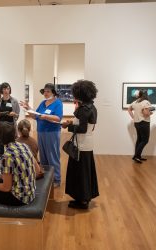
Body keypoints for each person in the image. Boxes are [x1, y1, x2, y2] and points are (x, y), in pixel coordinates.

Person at [61, 80, 99, 209]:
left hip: (81, 144)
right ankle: (84, 198)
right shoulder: (92, 107)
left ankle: (82, 200)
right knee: (85, 171)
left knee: (80, 173)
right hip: (88, 143)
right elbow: (89, 127)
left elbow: (82, 129)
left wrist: (68, 126)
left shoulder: (83, 109)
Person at [20, 83, 63, 187]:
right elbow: (35, 116)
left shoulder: (58, 103)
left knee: (52, 156)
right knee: (43, 156)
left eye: (48, 91)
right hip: (41, 132)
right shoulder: (43, 103)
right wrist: (28, 108)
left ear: (53, 92)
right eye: (44, 91)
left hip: (52, 133)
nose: (45, 93)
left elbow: (58, 118)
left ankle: (56, 179)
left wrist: (47, 117)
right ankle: (46, 177)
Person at [0, 82, 20, 170]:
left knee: (11, 147)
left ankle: (11, 166)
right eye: (4, 89)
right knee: (0, 148)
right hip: (0, 127)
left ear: (10, 90)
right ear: (1, 90)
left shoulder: (14, 101)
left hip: (11, 127)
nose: (6, 91)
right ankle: (0, 167)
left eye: (7, 88)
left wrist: (14, 114)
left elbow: (17, 115)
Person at [127, 89, 153, 163]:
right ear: (146, 95)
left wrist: (133, 117)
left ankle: (138, 156)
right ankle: (136, 156)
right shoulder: (146, 102)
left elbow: (129, 109)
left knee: (139, 140)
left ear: (140, 94)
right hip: (144, 122)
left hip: (137, 123)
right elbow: (146, 113)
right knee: (145, 140)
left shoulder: (136, 102)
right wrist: (151, 112)